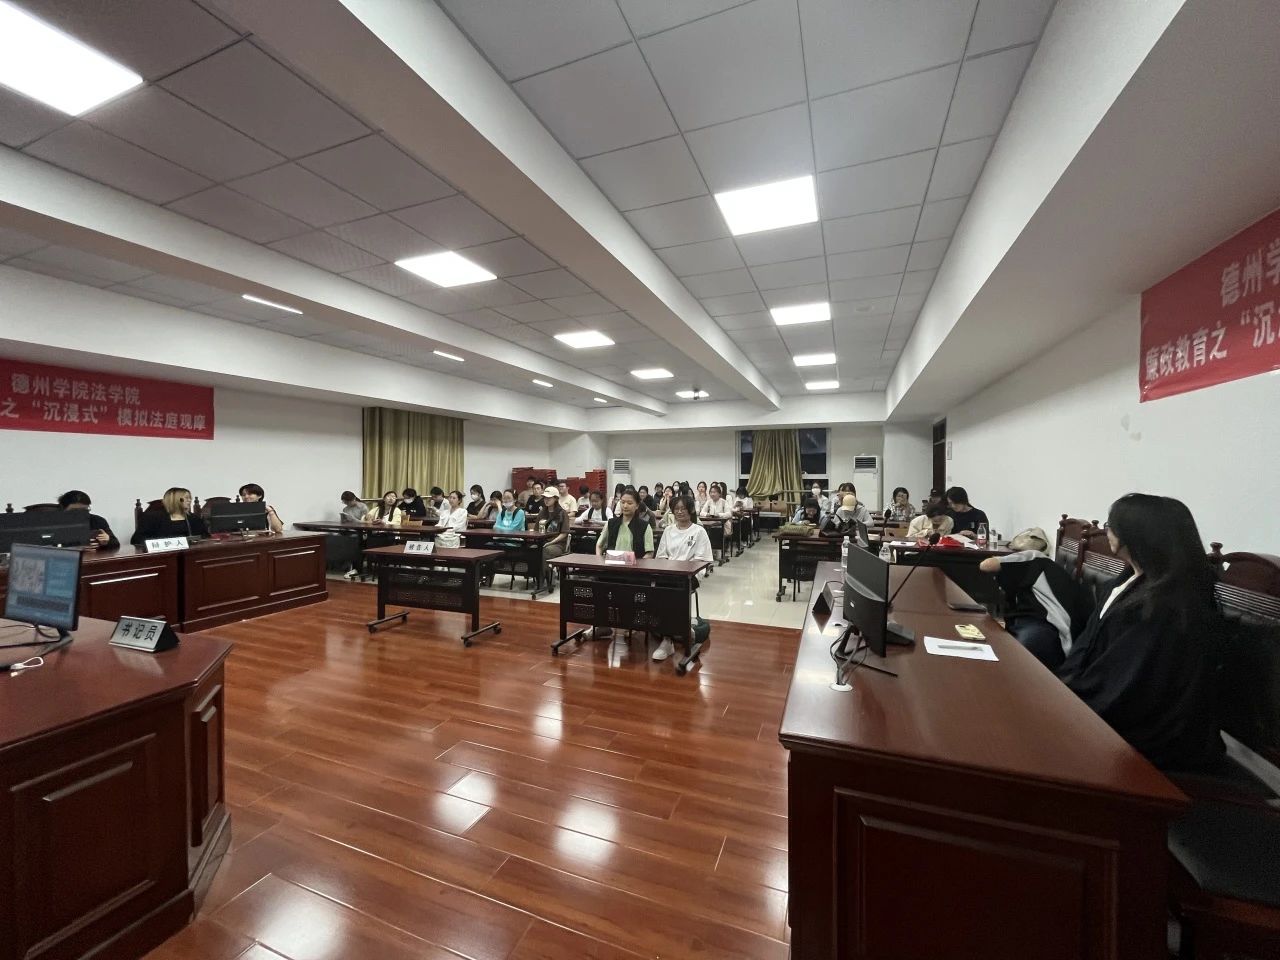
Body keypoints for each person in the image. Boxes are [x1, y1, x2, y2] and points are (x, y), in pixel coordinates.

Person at [1055, 494, 1224, 771]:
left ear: (1135, 535)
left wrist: (1063, 703)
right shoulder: (1127, 583)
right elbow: (1088, 651)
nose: (1107, 531)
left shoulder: (1169, 606)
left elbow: (1128, 685)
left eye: (1111, 525)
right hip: (1103, 702)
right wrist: (1057, 688)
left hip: (1150, 736)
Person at [979, 528, 1093, 669]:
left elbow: (985, 565)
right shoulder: (1050, 569)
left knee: (1010, 649)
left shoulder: (1033, 557)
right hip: (1054, 627)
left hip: (1052, 628)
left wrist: (1009, 557)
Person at [652, 494, 714, 662]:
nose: (679, 512)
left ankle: (668, 640)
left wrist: (682, 570)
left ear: (691, 510)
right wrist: (668, 568)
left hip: (690, 575)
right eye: (676, 509)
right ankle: (671, 632)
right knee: (654, 589)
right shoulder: (668, 530)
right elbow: (661, 556)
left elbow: (702, 561)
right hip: (669, 574)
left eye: (683, 508)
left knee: (671, 592)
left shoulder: (699, 531)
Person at [132, 487, 208, 545]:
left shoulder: (193, 518)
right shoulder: (152, 518)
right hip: (161, 556)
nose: (189, 500)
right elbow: (137, 540)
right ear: (174, 499)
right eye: (186, 498)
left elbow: (205, 537)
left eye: (190, 498)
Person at [596, 488, 654, 558]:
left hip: (636, 564)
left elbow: (650, 553)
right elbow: (599, 545)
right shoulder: (611, 523)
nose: (625, 506)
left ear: (637, 505)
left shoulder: (644, 526)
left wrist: (639, 563)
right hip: (613, 563)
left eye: (629, 503)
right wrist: (599, 559)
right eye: (622, 502)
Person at [540, 489, 569, 586]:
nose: (546, 500)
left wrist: (550, 542)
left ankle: (547, 579)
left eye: (549, 498)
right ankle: (537, 576)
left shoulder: (562, 513)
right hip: (543, 541)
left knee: (546, 550)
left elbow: (564, 533)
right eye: (545, 498)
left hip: (558, 544)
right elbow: (537, 530)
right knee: (533, 549)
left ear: (555, 498)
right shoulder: (542, 512)